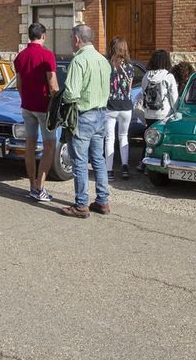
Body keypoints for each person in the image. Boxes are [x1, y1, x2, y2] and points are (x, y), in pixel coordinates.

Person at [60, 24, 111, 218]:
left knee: (80, 161)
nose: (71, 41)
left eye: (72, 37)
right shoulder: (102, 60)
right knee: (98, 159)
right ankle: (102, 201)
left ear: (77, 39)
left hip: (84, 115)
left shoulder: (79, 61)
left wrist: (61, 99)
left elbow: (71, 93)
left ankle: (81, 204)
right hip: (101, 114)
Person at [14, 23, 59, 201]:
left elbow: (19, 85)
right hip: (44, 107)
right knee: (49, 145)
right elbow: (53, 86)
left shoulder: (20, 56)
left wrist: (26, 98)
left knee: (30, 145)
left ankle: (32, 185)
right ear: (43, 36)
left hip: (27, 105)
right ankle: (39, 187)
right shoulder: (47, 55)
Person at [139, 50, 179, 173]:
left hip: (149, 113)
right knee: (162, 140)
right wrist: (175, 111)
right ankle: (158, 164)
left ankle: (144, 163)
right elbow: (174, 97)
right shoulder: (168, 76)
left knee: (149, 139)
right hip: (163, 113)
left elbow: (143, 92)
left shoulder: (147, 76)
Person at [104, 36, 134, 181]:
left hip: (111, 105)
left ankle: (109, 171)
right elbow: (128, 89)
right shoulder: (130, 67)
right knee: (124, 137)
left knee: (110, 138)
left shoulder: (107, 65)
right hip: (126, 106)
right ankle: (125, 167)